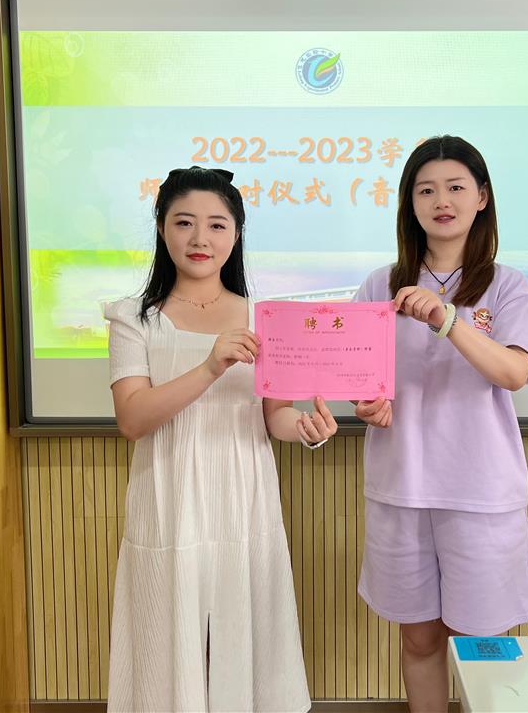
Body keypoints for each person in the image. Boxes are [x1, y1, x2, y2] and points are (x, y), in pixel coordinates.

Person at [103, 166, 337, 712]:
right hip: (168, 495)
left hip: (243, 495)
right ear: (162, 228)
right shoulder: (133, 318)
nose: (200, 238)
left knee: (243, 638)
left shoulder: (265, 318)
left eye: (216, 225)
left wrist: (306, 429)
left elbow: (275, 417)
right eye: (184, 222)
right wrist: (210, 366)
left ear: (236, 234)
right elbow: (132, 419)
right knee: (169, 642)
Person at [353, 136, 528, 711]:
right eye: (426, 190)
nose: (442, 201)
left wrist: (448, 320)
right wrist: (365, 404)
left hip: (480, 494)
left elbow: (514, 372)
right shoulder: (380, 285)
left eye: (456, 187)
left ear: (481, 197)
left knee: (482, 645)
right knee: (418, 640)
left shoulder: (506, 285)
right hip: (401, 490)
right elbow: (360, 379)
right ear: (409, 203)